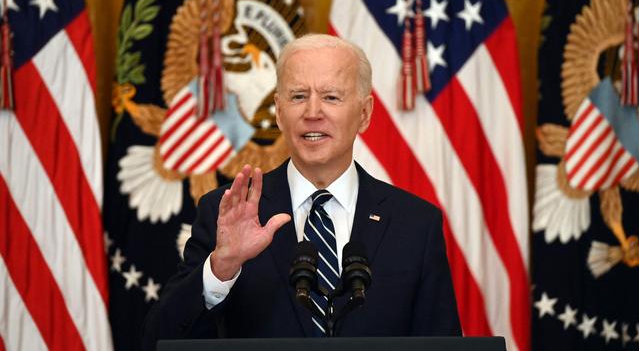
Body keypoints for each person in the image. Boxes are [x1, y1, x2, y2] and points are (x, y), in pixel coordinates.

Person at [142, 34, 461, 350]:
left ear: (364, 114)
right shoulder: (226, 211)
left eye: (331, 97)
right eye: (297, 96)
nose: (312, 112)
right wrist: (222, 267)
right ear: (279, 113)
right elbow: (160, 340)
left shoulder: (415, 225)